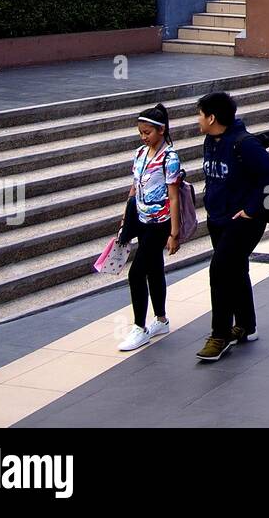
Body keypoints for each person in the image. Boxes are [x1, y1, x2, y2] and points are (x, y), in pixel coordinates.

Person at [195, 91, 269, 362]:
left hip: (243, 222)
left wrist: (253, 210)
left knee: (219, 272)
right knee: (236, 269)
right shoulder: (211, 140)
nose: (198, 119)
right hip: (218, 218)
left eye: (200, 114)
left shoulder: (244, 144)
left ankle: (220, 335)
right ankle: (246, 325)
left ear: (212, 117)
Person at [116, 104, 182, 352]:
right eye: (141, 133)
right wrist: (126, 217)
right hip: (141, 220)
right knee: (154, 269)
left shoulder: (170, 158)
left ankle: (139, 328)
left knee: (136, 273)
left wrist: (174, 234)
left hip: (160, 223)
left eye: (148, 133)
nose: (144, 137)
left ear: (161, 130)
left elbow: (173, 197)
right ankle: (161, 319)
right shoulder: (140, 154)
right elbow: (134, 187)